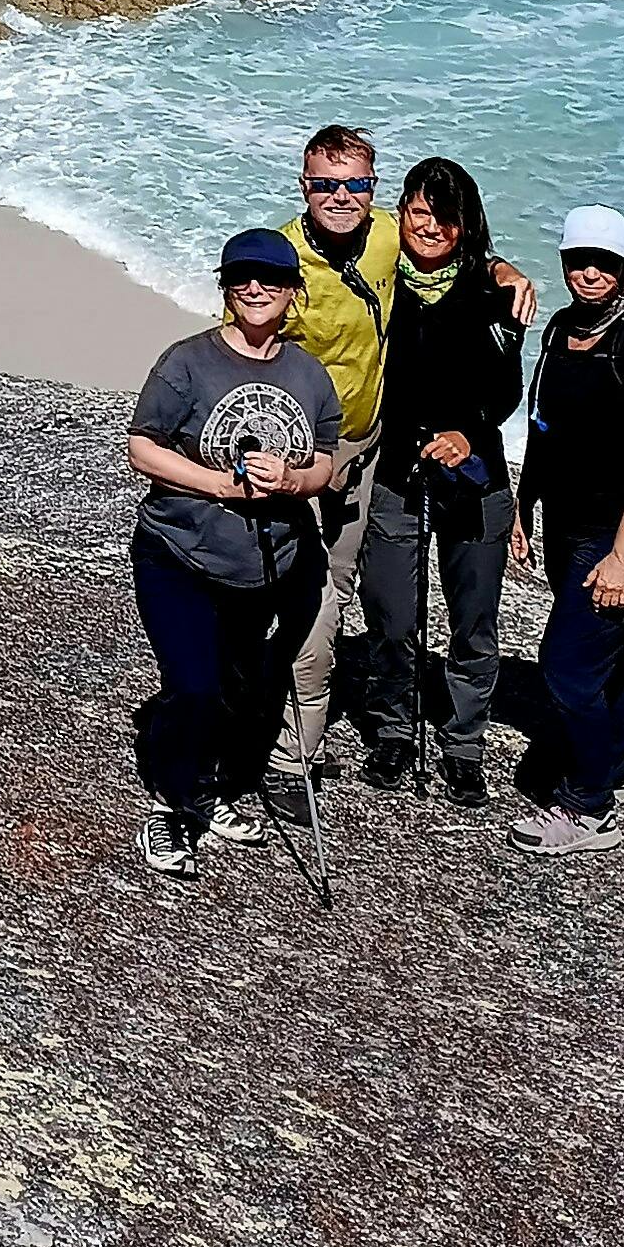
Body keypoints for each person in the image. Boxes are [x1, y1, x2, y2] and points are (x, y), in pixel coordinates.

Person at [122, 229, 346, 876]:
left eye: (271, 280)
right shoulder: (186, 363)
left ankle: (214, 786)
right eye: (241, 278)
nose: (255, 289)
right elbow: (144, 447)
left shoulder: (308, 375)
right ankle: (175, 808)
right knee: (192, 685)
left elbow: (324, 465)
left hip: (264, 568)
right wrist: (221, 483)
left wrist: (291, 481)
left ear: (293, 293)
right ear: (225, 287)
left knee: (235, 688)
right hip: (178, 556)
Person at [509, 207, 624, 857]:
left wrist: (622, 556)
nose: (590, 272)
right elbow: (543, 424)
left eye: (605, 262)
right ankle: (609, 759)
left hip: (620, 532)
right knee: (597, 656)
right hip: (567, 519)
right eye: (579, 260)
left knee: (566, 667)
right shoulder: (562, 328)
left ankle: (591, 807)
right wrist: (522, 506)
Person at [356, 156, 532, 804]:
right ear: (399, 213)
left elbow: (507, 387)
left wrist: (469, 429)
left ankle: (462, 746)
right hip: (396, 476)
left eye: (445, 217)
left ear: (466, 225)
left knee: (473, 624)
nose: (430, 227)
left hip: (475, 477)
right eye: (418, 212)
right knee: (392, 616)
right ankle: (394, 729)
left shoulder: (497, 293)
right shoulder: (376, 282)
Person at [261, 125, 393, 792]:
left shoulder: (390, 236)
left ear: (374, 188)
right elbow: (246, 353)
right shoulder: (281, 257)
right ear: (303, 186)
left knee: (336, 589)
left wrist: (505, 273)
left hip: (367, 442)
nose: (340, 197)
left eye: (355, 185)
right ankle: (290, 758)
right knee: (307, 596)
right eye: (325, 184)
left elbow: (452, 254)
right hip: (303, 450)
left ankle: (294, 733)